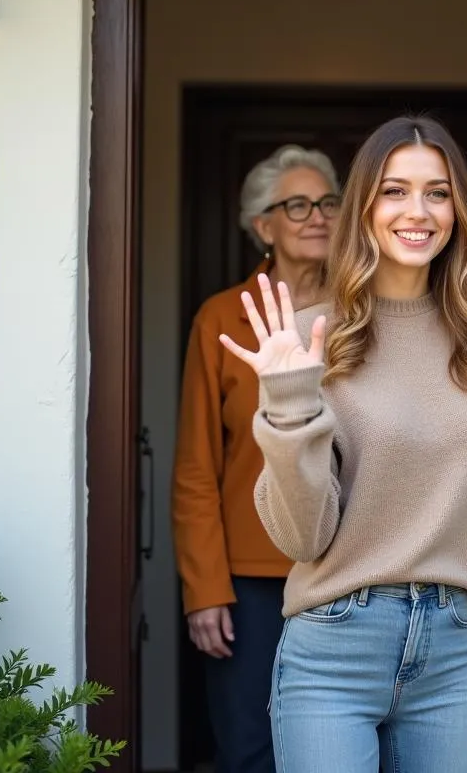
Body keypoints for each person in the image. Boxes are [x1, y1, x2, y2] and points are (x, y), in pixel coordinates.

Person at [220, 117, 467, 773]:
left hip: (455, 647)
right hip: (335, 645)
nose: (418, 211)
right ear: (365, 209)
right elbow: (301, 538)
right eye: (395, 191)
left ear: (458, 210)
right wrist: (290, 400)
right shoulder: (306, 339)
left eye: (438, 193)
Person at [171, 144, 340, 773]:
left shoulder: (364, 311)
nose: (317, 215)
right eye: (296, 205)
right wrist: (204, 590)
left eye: (327, 201)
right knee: (249, 748)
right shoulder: (220, 318)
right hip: (250, 580)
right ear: (262, 225)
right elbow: (194, 467)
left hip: (346, 566)